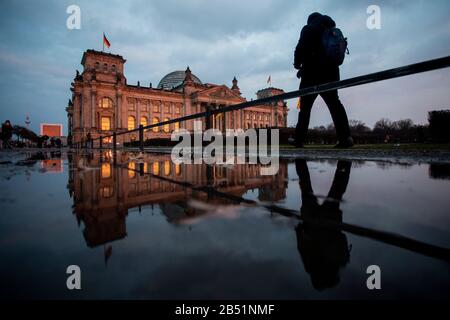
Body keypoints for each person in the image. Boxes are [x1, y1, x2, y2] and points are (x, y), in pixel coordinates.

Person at [292, 12, 353, 148]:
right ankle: (345, 138)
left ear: (310, 20)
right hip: (331, 73)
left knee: (305, 109)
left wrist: (297, 64)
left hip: (311, 75)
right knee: (335, 106)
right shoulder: (331, 30)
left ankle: (299, 139)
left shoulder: (308, 29)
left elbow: (300, 48)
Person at [295, 159, 352, 290]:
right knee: (306, 184)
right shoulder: (309, 265)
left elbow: (342, 239)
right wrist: (299, 229)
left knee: (337, 189)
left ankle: (345, 162)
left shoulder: (336, 263)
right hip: (314, 222)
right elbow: (301, 243)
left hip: (328, 223)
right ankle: (300, 158)